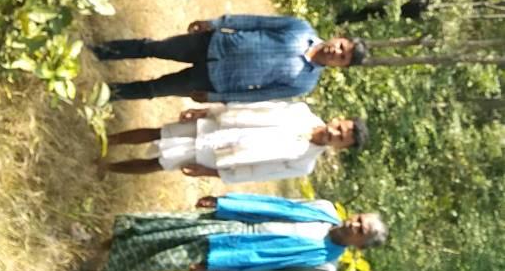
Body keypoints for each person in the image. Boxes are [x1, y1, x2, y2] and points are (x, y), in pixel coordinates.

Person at [92, 193, 388, 271]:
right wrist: (225, 202)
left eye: (360, 230)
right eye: (359, 219)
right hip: (230, 222)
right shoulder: (324, 209)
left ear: (360, 245)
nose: (354, 224)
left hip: (229, 252)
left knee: (160, 259)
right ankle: (96, 245)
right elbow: (274, 204)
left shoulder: (325, 264)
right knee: (158, 228)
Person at [91, 15, 368, 102]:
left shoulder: (304, 83)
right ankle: (97, 52)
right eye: (341, 46)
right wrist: (217, 23)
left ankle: (102, 94)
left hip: (215, 81)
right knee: (151, 48)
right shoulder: (300, 28)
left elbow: (258, 96)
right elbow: (256, 22)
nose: (337, 52)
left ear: (341, 66)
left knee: (155, 89)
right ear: (339, 37)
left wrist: (216, 98)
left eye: (342, 58)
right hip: (212, 44)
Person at [99, 103, 368, 181]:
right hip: (222, 125)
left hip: (221, 155)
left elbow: (258, 173)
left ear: (340, 148)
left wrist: (211, 172)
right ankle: (107, 140)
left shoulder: (304, 163)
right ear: (337, 119)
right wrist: (210, 110)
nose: (335, 133)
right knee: (161, 133)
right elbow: (257, 107)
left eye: (341, 139)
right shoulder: (301, 112)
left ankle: (107, 167)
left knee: (160, 163)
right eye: (340, 128)